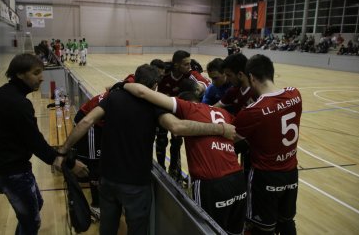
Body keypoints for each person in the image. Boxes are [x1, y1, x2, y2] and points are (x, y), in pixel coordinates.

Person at [59, 64, 232, 235]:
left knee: (107, 227)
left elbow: (85, 122)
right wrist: (220, 129)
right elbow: (178, 127)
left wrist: (63, 150)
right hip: (136, 184)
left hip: (107, 178)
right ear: (154, 86)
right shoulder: (154, 106)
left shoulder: (113, 97)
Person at [123, 81, 246, 234]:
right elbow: (242, 138)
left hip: (211, 183)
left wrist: (123, 85)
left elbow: (141, 92)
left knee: (206, 230)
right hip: (238, 180)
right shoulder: (225, 114)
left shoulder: (188, 107)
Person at [0, 53, 88, 235]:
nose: (42, 78)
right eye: (36, 73)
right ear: (19, 74)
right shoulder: (18, 103)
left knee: (36, 205)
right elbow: (36, 143)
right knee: (31, 222)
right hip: (12, 174)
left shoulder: (1, 94)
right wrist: (69, 164)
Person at [233, 54, 302, 235]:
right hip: (291, 174)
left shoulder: (253, 111)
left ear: (252, 78)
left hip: (265, 177)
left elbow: (234, 137)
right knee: (287, 222)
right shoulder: (295, 95)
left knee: (262, 229)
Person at [157, 50, 211, 181]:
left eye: (190, 64)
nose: (189, 67)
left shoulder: (190, 74)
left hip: (178, 111)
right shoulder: (164, 73)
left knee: (176, 142)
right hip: (162, 111)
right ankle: (160, 168)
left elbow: (205, 84)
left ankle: (174, 171)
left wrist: (197, 88)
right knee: (161, 141)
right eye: (186, 64)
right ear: (176, 65)